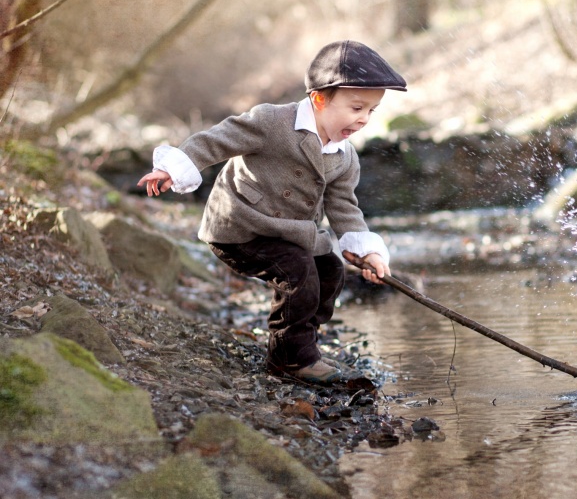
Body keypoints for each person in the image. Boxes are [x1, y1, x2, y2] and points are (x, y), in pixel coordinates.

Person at [137, 40, 406, 385]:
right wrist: (173, 169)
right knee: (299, 273)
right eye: (356, 108)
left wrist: (366, 250)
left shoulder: (344, 157)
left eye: (372, 111)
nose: (364, 119)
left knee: (330, 271)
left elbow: (343, 206)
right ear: (320, 99)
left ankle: (302, 340)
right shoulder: (272, 122)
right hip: (241, 226)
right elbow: (217, 140)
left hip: (289, 233)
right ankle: (289, 360)